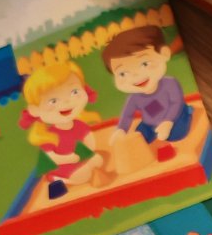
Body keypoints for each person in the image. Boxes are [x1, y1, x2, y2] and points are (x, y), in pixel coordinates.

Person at [19, 61, 105, 198]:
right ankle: (61, 180)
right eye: (53, 101)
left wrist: (89, 151)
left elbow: (89, 140)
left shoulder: (79, 125)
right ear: (35, 110)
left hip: (80, 160)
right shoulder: (48, 135)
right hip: (64, 167)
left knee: (98, 160)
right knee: (82, 175)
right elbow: (51, 157)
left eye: (74, 92)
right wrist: (68, 158)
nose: (66, 102)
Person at [103, 25, 192, 147]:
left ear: (164, 54)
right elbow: (127, 115)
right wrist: (121, 130)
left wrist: (167, 122)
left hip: (175, 117)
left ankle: (184, 116)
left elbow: (176, 104)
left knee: (175, 134)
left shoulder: (170, 84)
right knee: (138, 138)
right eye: (123, 73)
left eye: (145, 64)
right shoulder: (134, 98)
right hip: (150, 124)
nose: (136, 75)